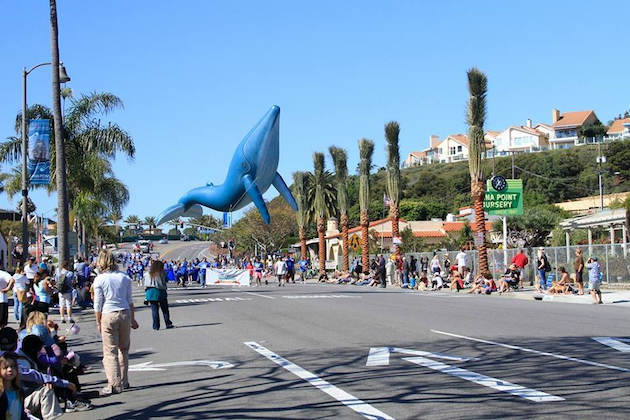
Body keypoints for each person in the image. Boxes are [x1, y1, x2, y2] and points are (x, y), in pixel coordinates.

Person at [93, 250, 139, 396]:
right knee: (123, 349)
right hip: (124, 312)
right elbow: (130, 300)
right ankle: (124, 381)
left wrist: (98, 321)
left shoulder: (100, 279)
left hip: (108, 313)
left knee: (110, 351)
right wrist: (133, 318)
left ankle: (114, 384)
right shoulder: (124, 277)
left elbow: (97, 304)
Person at [144, 260, 174, 331]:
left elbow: (145, 284)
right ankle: (168, 323)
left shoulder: (148, 273)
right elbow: (166, 280)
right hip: (160, 291)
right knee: (165, 309)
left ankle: (156, 326)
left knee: (154, 310)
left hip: (150, 292)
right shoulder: (162, 273)